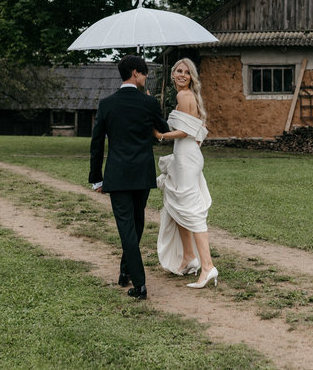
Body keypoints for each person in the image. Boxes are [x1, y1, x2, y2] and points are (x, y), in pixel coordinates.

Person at [89, 55, 169, 300]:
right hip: (142, 174)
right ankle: (135, 279)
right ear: (135, 73)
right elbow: (164, 130)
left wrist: (97, 178)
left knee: (129, 227)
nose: (145, 78)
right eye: (144, 74)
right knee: (136, 224)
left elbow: (96, 143)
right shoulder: (149, 103)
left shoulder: (106, 104)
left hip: (118, 174)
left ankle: (133, 277)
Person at [154, 58, 218, 289]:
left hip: (186, 157)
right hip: (188, 155)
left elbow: (183, 132)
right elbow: (198, 131)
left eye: (187, 72)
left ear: (192, 77)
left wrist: (160, 134)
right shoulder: (191, 97)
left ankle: (208, 266)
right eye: (179, 71)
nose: (182, 75)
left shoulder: (183, 96)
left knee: (190, 208)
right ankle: (189, 257)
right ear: (172, 74)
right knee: (176, 204)